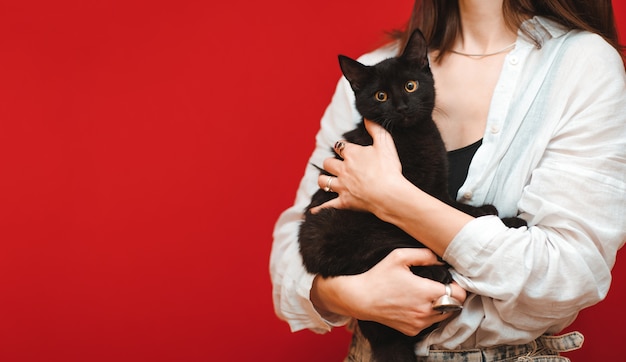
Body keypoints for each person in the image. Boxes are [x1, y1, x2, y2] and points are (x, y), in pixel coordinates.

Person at [270, 0, 626, 360]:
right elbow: (290, 251)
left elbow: (568, 274)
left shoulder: (580, 63)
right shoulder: (377, 64)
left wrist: (391, 198)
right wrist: (349, 295)